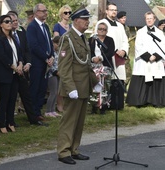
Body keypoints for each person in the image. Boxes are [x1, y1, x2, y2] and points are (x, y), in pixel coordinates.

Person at [57, 5, 101, 165]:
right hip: (73, 88)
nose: (88, 22)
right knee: (69, 121)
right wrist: (71, 88)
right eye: (85, 19)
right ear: (76, 21)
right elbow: (63, 67)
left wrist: (95, 83)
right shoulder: (67, 38)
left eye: (88, 19)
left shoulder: (83, 38)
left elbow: (86, 65)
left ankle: (74, 149)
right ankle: (63, 151)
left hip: (83, 87)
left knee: (79, 121)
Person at [8, 12, 48, 126]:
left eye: (16, 20)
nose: (15, 22)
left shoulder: (21, 33)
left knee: (26, 95)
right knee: (11, 97)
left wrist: (28, 63)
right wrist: (14, 66)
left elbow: (27, 50)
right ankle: (9, 120)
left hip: (23, 70)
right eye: (12, 20)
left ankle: (33, 119)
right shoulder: (3, 36)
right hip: (10, 70)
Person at [126, 11, 165, 107]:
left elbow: (163, 46)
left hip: (156, 60)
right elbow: (138, 46)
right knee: (142, 78)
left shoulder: (160, 33)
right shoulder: (140, 32)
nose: (149, 20)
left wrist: (156, 56)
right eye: (147, 19)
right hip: (144, 60)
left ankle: (156, 101)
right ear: (145, 20)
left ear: (154, 20)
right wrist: (148, 57)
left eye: (151, 18)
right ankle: (140, 102)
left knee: (156, 79)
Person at [95, 2, 129, 110]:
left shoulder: (120, 25)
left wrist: (123, 50)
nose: (114, 12)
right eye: (111, 10)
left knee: (118, 81)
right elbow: (98, 38)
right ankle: (104, 105)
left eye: (115, 10)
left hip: (119, 57)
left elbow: (125, 40)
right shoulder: (102, 23)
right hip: (107, 56)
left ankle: (117, 105)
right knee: (107, 81)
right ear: (106, 11)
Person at [0, 15, 23, 133]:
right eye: (6, 21)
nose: (10, 23)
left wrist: (21, 64)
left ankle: (10, 122)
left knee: (13, 99)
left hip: (15, 73)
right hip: (4, 73)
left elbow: (19, 53)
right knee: (4, 99)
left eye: (10, 21)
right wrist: (14, 67)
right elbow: (2, 57)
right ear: (0, 24)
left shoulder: (13, 38)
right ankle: (1, 124)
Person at [26, 3, 54, 118]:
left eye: (46, 11)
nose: (46, 13)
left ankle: (38, 112)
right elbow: (33, 45)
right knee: (35, 88)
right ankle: (32, 114)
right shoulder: (32, 27)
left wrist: (51, 55)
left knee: (42, 88)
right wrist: (46, 57)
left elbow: (49, 43)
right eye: (43, 11)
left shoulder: (45, 26)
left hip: (46, 63)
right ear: (36, 12)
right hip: (37, 63)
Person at [89, 22, 115, 114]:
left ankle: (103, 107)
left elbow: (111, 52)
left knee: (105, 87)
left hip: (105, 65)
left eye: (104, 29)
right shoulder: (91, 39)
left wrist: (101, 58)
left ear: (107, 31)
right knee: (94, 86)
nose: (102, 31)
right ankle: (94, 106)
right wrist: (93, 58)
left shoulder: (110, 40)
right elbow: (88, 51)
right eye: (100, 29)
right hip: (93, 66)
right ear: (97, 30)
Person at [45, 36, 61, 117]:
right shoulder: (51, 52)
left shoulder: (58, 52)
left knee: (56, 93)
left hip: (58, 74)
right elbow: (50, 65)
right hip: (52, 74)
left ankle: (53, 110)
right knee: (52, 92)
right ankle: (48, 111)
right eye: (57, 44)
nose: (59, 45)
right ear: (53, 43)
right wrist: (55, 72)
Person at [117, 11, 132, 92]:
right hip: (118, 53)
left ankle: (124, 88)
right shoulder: (116, 27)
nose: (124, 19)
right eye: (122, 18)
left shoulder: (126, 28)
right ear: (118, 19)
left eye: (125, 18)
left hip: (126, 53)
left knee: (128, 73)